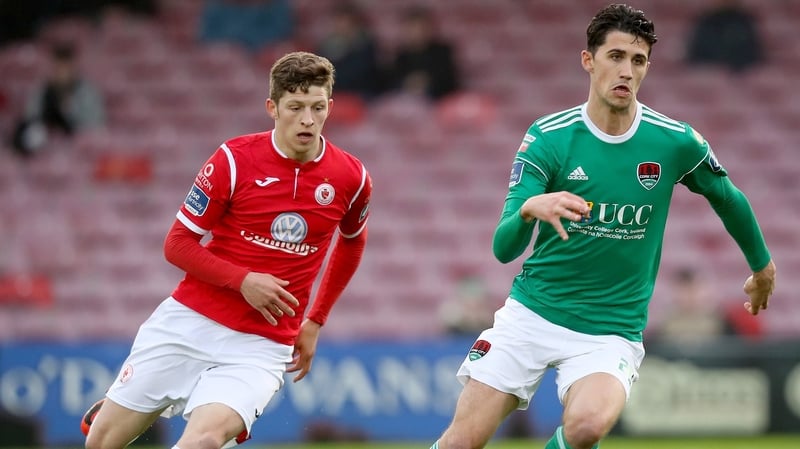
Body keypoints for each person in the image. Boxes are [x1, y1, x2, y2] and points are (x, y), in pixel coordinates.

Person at [428, 4, 776, 449]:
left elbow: (728, 198)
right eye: (615, 56)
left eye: (638, 60)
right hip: (532, 315)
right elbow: (503, 247)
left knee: (587, 427)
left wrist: (762, 267)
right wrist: (532, 208)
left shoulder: (673, 141)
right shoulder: (549, 138)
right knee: (463, 441)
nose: (626, 70)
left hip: (611, 331)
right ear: (588, 61)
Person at [81, 51, 372, 449]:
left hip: (261, 343)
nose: (307, 119)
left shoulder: (351, 177)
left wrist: (316, 319)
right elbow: (177, 244)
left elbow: (353, 241)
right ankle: (127, 404)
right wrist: (244, 281)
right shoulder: (233, 161)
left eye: (317, 108)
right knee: (100, 443)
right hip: (189, 321)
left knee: (202, 441)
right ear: (272, 107)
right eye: (295, 107)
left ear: (330, 107)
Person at [12, 42, 105, 156]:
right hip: (44, 142)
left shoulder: (87, 91)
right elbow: (30, 117)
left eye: (66, 68)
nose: (62, 73)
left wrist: (70, 110)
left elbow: (96, 124)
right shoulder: (44, 90)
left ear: (73, 67)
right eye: (59, 68)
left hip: (76, 144)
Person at [315, 2, 384, 101]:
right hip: (335, 93)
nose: (341, 25)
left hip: (361, 95)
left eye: (345, 21)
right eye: (338, 21)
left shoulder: (366, 46)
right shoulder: (327, 45)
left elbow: (359, 75)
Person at [388, 5, 460, 101]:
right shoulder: (401, 55)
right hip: (407, 103)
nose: (417, 32)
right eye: (413, 28)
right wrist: (408, 83)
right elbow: (390, 83)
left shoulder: (442, 52)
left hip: (438, 103)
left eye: (421, 27)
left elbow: (449, 83)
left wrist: (426, 81)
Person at [685, 0, 764, 73]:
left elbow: (753, 53)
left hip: (740, 74)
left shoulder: (745, 20)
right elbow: (697, 55)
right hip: (709, 72)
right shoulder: (704, 21)